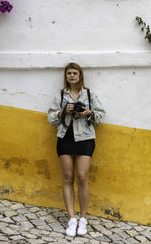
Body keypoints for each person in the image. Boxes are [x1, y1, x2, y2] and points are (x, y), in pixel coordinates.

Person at [47, 62, 105, 237]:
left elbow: (101, 116)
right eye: (69, 73)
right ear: (66, 76)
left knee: (82, 177)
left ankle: (83, 219)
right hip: (65, 138)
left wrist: (89, 113)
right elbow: (50, 118)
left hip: (85, 138)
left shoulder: (89, 94)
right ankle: (72, 219)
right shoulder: (60, 95)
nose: (72, 76)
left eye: (75, 73)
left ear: (80, 76)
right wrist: (62, 111)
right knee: (67, 178)